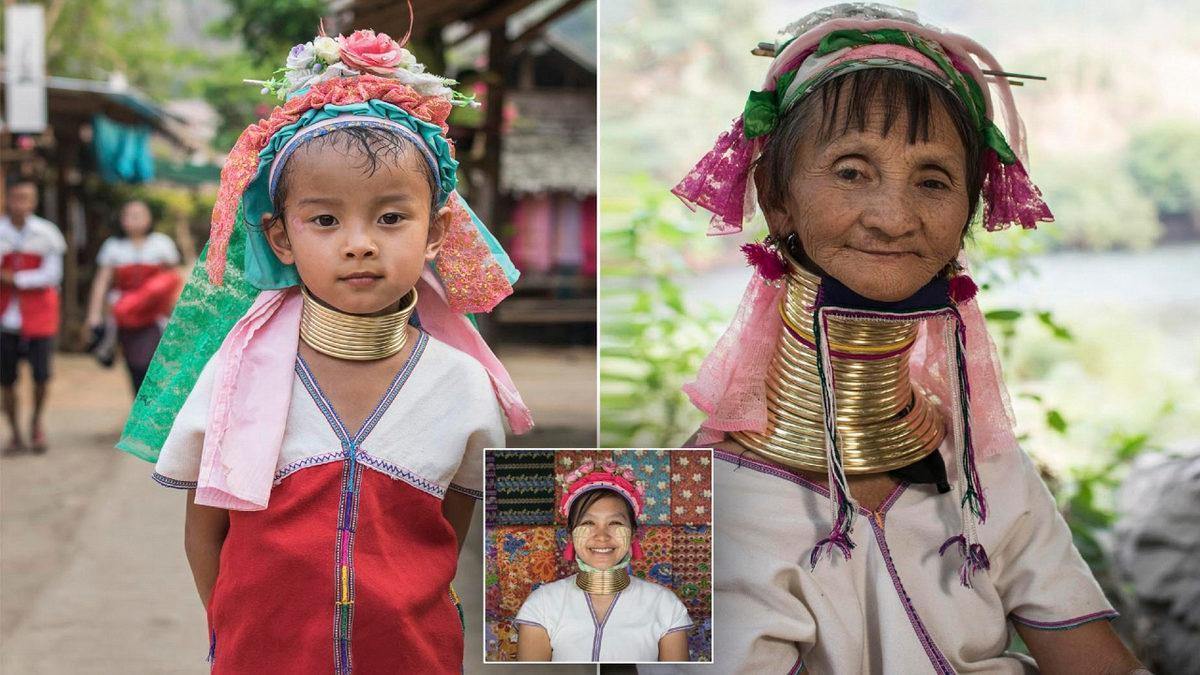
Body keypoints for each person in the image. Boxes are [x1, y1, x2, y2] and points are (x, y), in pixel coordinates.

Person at [657, 4, 1148, 673]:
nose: (893, 217)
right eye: (852, 169)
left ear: (968, 211)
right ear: (776, 195)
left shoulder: (983, 466)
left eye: (934, 180)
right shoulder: (693, 504)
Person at [116, 26, 533, 673]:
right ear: (280, 237)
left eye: (391, 217)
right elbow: (205, 530)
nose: (359, 243)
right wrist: (240, 631)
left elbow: (445, 539)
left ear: (437, 231)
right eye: (325, 219)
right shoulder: (235, 373)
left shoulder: (463, 387)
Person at [516, 460, 692, 662]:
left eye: (615, 523)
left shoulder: (665, 605)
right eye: (588, 523)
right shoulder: (542, 604)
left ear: (634, 534)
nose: (602, 536)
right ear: (570, 534)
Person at [85, 200, 182, 394]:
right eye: (130, 215)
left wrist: (178, 310)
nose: (135, 219)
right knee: (134, 363)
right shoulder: (113, 247)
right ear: (121, 220)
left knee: (152, 361)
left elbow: (174, 278)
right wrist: (94, 315)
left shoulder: (161, 243)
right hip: (124, 315)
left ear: (149, 218)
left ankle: (151, 407)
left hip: (155, 315)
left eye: (140, 214)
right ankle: (140, 406)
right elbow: (101, 282)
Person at [0, 179, 66, 456]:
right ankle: (14, 431)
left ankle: (36, 421)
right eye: (16, 197)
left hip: (39, 316)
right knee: (6, 379)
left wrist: (15, 279)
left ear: (34, 201)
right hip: (5, 318)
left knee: (41, 376)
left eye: (26, 197)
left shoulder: (47, 233)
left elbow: (52, 275)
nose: (20, 203)